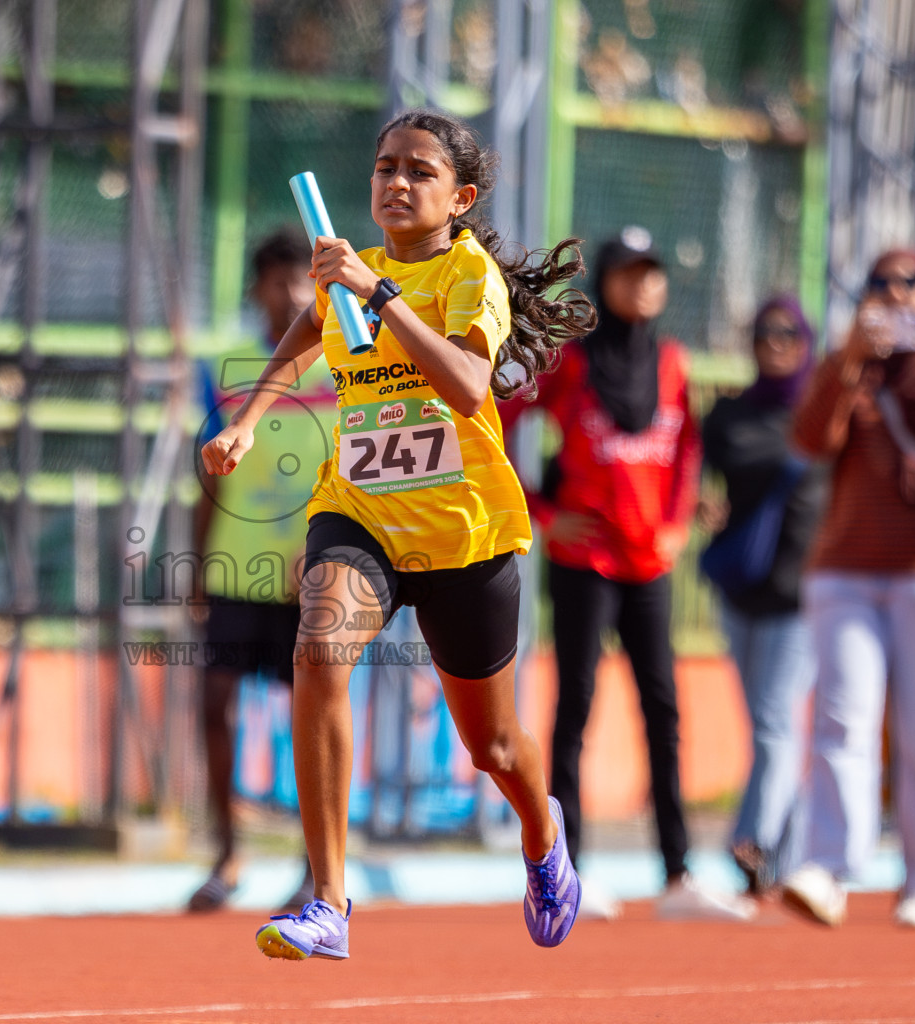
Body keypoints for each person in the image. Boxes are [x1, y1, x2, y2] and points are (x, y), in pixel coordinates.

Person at [202, 108, 594, 961]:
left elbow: (462, 386)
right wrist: (249, 420)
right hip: (363, 512)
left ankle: (542, 830)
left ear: (461, 196)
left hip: (464, 534)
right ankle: (330, 900)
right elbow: (304, 334)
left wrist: (378, 297)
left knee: (491, 745)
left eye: (420, 170)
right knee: (318, 650)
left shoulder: (467, 274)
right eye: (385, 168)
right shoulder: (348, 272)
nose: (396, 183)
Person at [500, 227, 753, 921]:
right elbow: (498, 419)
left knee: (662, 709)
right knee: (575, 707)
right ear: (605, 282)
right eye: (628, 272)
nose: (642, 284)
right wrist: (542, 511)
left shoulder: (671, 363)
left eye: (653, 272)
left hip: (650, 566)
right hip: (585, 564)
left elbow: (688, 446)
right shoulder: (573, 365)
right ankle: (568, 864)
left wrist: (675, 522)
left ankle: (676, 875)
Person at [780, 249, 915, 931]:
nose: (893, 296)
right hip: (844, 572)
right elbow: (809, 441)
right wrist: (846, 359)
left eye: (909, 285)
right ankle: (828, 869)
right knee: (843, 720)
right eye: (879, 284)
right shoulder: (853, 370)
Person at [186, 231, 332, 913]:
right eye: (277, 281)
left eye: (301, 281)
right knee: (213, 705)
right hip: (234, 570)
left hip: (315, 574)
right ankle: (227, 852)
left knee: (313, 717)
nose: (291, 294)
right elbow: (206, 466)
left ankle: (315, 868)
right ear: (256, 289)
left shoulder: (343, 362)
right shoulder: (229, 365)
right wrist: (194, 562)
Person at [700, 296, 826, 895]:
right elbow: (702, 473)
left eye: (788, 333)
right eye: (764, 332)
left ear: (806, 340)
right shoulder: (730, 415)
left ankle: (749, 841)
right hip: (741, 586)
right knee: (768, 728)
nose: (775, 342)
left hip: (802, 593)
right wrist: (702, 504)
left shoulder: (822, 413)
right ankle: (789, 855)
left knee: (776, 723)